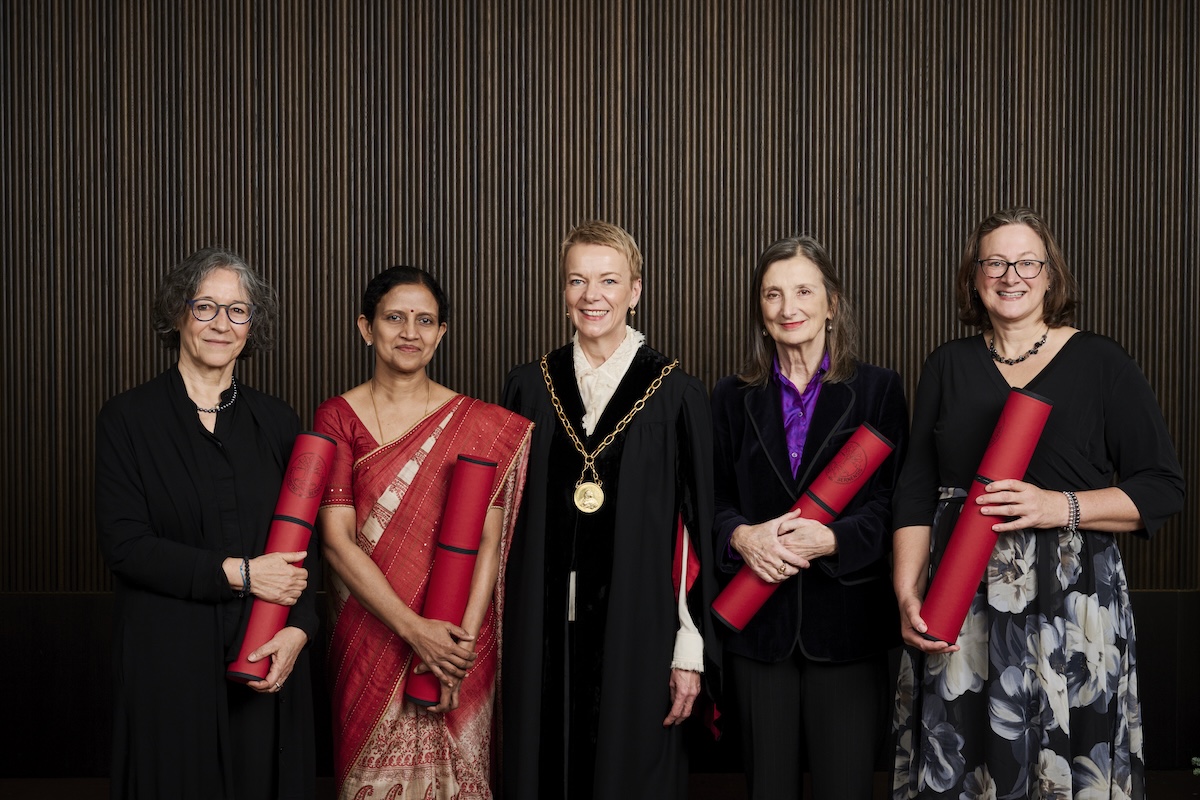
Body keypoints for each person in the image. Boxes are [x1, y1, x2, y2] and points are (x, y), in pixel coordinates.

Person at [891, 207, 1185, 798]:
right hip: (963, 599)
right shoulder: (947, 364)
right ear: (974, 276)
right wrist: (906, 593)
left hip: (1071, 601)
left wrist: (1060, 507)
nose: (1011, 276)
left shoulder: (1102, 361)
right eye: (995, 262)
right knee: (967, 759)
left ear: (1051, 276)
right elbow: (916, 493)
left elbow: (1162, 486)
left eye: (1027, 262)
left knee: (1068, 758)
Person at [500, 220, 719, 799]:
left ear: (635, 290)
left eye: (608, 280)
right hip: (539, 631)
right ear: (563, 289)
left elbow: (693, 537)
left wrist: (689, 649)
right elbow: (504, 527)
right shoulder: (528, 387)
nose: (591, 296)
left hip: (639, 632)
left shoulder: (676, 394)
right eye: (577, 280)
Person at [95, 246, 317, 799]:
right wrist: (243, 574)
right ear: (178, 314)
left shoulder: (278, 420)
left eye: (237, 310)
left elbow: (303, 544)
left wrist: (299, 629)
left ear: (251, 325)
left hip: (263, 650)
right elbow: (125, 546)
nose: (222, 323)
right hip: (165, 661)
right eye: (205, 307)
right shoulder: (127, 418)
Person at [315, 266, 532, 799]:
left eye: (425, 320)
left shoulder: (479, 423)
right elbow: (337, 542)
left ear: (441, 333)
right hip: (370, 636)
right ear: (366, 328)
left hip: (458, 639)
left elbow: (487, 543)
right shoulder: (338, 418)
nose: (410, 332)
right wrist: (415, 631)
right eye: (394, 317)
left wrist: (458, 653)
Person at [710, 235, 908, 799]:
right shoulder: (729, 397)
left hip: (847, 628)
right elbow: (711, 502)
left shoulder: (878, 390)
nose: (787, 307)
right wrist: (742, 536)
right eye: (772, 294)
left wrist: (833, 540)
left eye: (803, 291)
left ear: (831, 303)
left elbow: (895, 505)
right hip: (758, 629)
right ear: (760, 309)